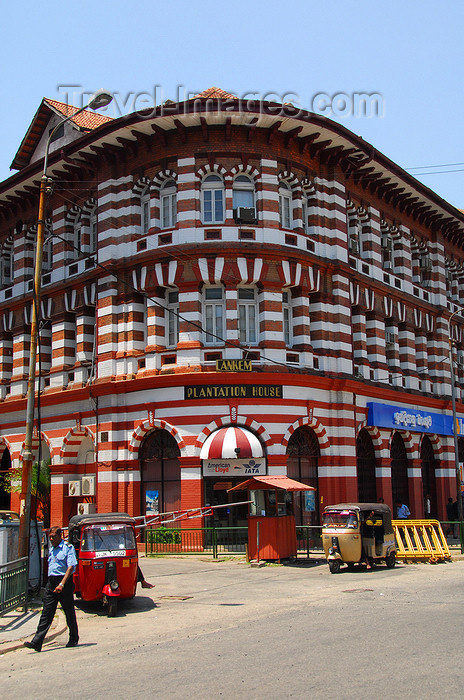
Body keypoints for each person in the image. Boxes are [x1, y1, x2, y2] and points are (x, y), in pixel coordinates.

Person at [24, 526, 79, 652]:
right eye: (50, 537)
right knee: (46, 613)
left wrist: (62, 584)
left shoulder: (67, 548)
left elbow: (70, 567)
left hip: (64, 583)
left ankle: (74, 638)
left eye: (54, 536)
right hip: (51, 583)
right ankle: (37, 642)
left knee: (69, 612)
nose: (52, 539)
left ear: (60, 535)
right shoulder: (52, 549)